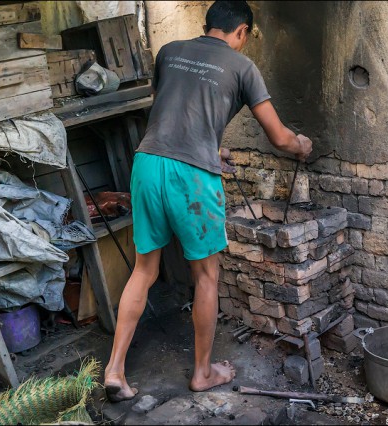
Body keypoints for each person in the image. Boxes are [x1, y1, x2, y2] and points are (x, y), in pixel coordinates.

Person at [104, 0, 313, 401]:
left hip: (148, 164)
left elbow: (170, 113)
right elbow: (280, 138)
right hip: (191, 179)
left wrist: (210, 149)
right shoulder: (243, 67)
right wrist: (302, 144)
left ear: (207, 26)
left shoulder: (169, 52)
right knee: (206, 276)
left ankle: (115, 371)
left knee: (144, 270)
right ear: (243, 32)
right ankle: (202, 372)